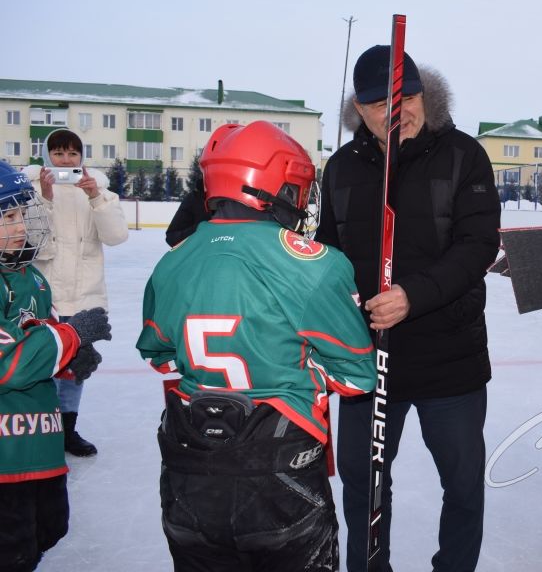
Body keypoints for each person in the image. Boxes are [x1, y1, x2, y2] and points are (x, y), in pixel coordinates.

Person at [136, 121, 376, 572]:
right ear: (275, 185)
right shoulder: (316, 264)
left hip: (191, 470)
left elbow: (158, 353)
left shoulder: (173, 261)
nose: (302, 200)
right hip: (279, 470)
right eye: (298, 188)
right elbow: (355, 376)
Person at [317, 45, 501, 572]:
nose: (400, 112)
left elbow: (477, 245)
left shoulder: (464, 155)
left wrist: (412, 295)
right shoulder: (342, 168)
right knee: (364, 487)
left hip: (450, 358)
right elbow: (329, 254)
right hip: (368, 360)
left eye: (410, 96)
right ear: (362, 110)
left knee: (463, 484)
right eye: (382, 105)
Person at [0, 161, 111, 571]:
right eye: (8, 217)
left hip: (41, 448)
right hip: (6, 459)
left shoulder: (34, 279)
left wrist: (68, 358)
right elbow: (8, 364)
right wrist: (70, 337)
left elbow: (31, 337)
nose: (21, 227)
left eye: (20, 216)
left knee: (49, 530)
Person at [23, 128, 128, 457]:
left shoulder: (99, 191)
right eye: (58, 154)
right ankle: (45, 428)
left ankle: (68, 429)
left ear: (81, 158)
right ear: (46, 157)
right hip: (46, 298)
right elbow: (33, 245)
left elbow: (116, 236)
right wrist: (45, 199)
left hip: (84, 296)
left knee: (76, 369)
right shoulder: (31, 191)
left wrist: (95, 197)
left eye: (71, 154)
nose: (65, 160)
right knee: (45, 368)